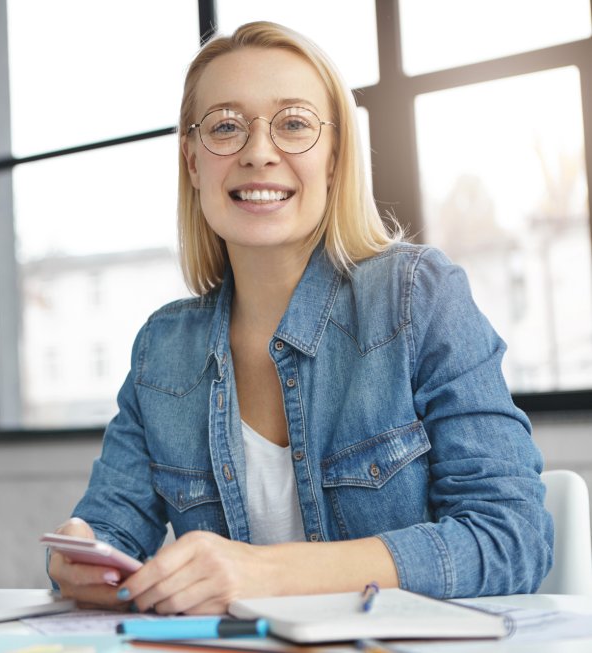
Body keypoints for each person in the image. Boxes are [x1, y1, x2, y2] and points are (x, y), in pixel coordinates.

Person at [47, 21, 553, 615]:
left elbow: (512, 540)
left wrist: (268, 572)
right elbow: (109, 536)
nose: (258, 152)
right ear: (192, 163)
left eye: (293, 124)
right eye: (226, 127)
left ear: (335, 158)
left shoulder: (419, 296)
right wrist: (79, 557)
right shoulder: (163, 347)